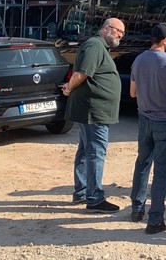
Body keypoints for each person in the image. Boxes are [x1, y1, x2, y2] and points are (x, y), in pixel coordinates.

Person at [129, 22, 166, 234]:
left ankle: (137, 209)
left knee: (142, 163)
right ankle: (155, 219)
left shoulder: (139, 59)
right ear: (164, 40)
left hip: (144, 118)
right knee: (162, 170)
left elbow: (133, 93)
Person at [62, 18, 125, 213]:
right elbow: (81, 73)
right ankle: (94, 198)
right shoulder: (94, 46)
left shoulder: (99, 47)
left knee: (85, 150)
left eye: (122, 34)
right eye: (118, 32)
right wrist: (68, 88)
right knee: (96, 152)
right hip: (93, 110)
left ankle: (82, 192)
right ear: (107, 28)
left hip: (93, 109)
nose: (120, 37)